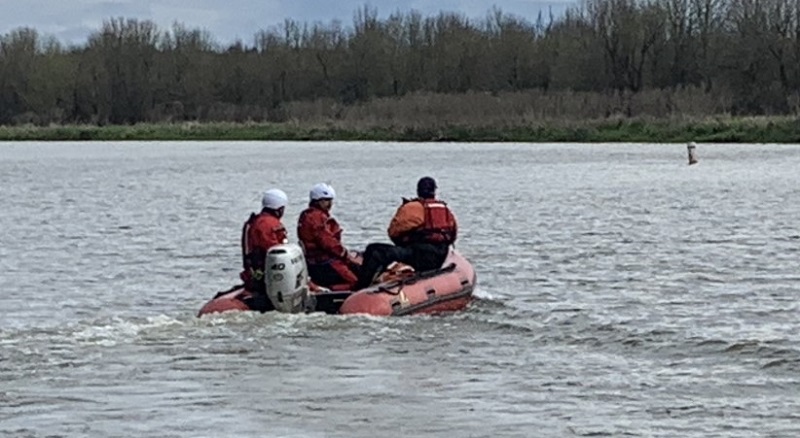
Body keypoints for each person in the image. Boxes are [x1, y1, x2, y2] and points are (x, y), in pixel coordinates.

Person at [353, 177, 458, 290]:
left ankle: (360, 288)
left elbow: (393, 232)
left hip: (417, 256)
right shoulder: (446, 210)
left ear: (418, 191)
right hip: (439, 257)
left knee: (374, 250)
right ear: (434, 191)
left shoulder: (412, 208)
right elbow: (453, 235)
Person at [297, 183, 359, 289]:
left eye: (330, 200)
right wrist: (344, 254)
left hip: (317, 260)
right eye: (326, 201)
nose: (330, 204)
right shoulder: (317, 218)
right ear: (317, 201)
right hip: (324, 261)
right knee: (355, 282)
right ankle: (330, 292)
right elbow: (327, 241)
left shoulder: (307, 215)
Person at [240, 189, 289, 307]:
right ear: (280, 208)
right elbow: (276, 253)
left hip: (254, 274)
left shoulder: (255, 221)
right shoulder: (269, 224)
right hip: (266, 277)